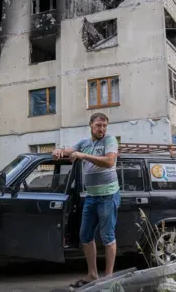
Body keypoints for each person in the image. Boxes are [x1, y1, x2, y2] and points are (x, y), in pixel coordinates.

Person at [52, 113, 120, 290]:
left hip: (108, 195)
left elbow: (109, 161)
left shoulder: (110, 140)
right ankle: (92, 274)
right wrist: (59, 150)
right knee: (85, 236)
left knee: (108, 237)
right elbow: (69, 151)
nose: (102, 129)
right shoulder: (84, 143)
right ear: (90, 125)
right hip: (91, 196)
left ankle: (109, 278)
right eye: (98, 125)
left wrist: (83, 156)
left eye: (105, 125)